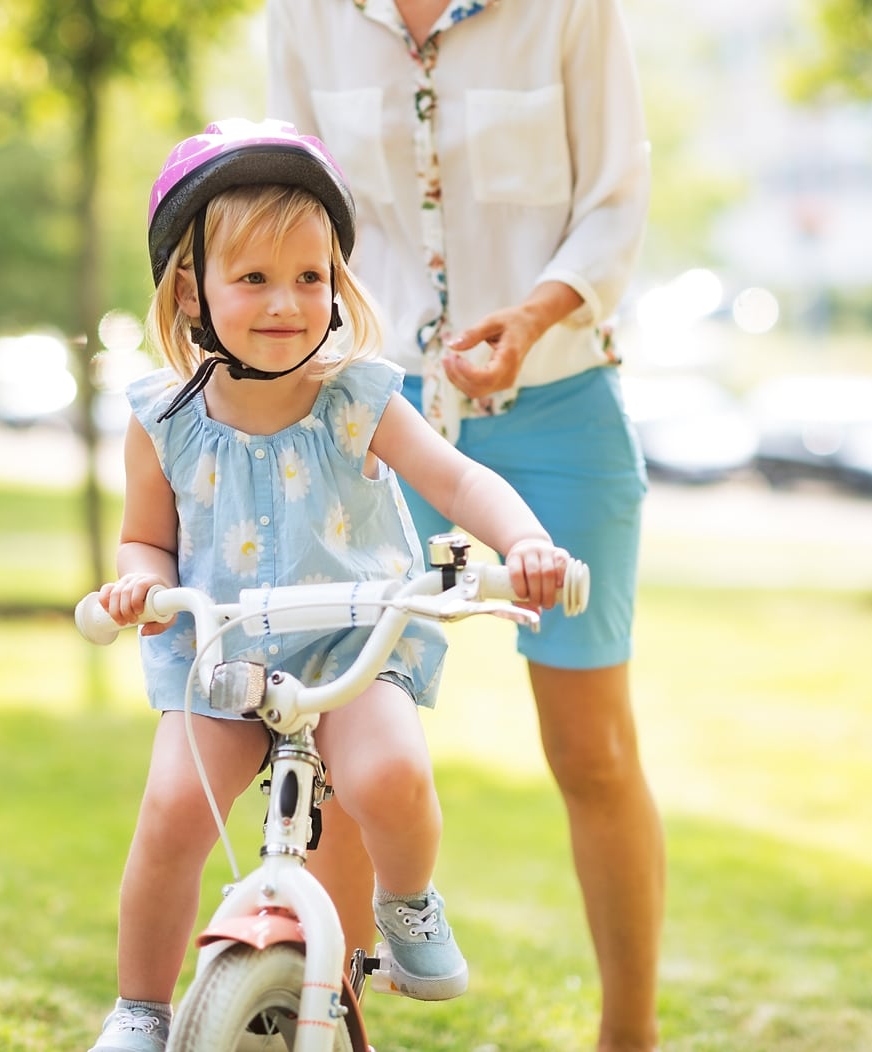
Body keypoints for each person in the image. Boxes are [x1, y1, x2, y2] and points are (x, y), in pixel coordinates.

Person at [86, 117, 576, 1052]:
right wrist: (137, 589)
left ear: (337, 285)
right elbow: (145, 540)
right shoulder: (163, 421)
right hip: (222, 656)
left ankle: (408, 901)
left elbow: (458, 481)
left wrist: (526, 542)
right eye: (255, 278)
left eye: (310, 277)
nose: (287, 302)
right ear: (191, 289)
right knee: (174, 810)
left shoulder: (359, 397)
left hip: (358, 645)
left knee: (387, 773)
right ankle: (143, 1006)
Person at [266, 4, 665, 1051]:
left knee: (591, 750)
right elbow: (290, 210)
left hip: (557, 398)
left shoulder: (570, 11)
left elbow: (615, 201)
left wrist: (527, 320)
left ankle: (628, 1035)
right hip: (371, 409)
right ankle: (331, 1027)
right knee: (345, 729)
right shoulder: (304, 15)